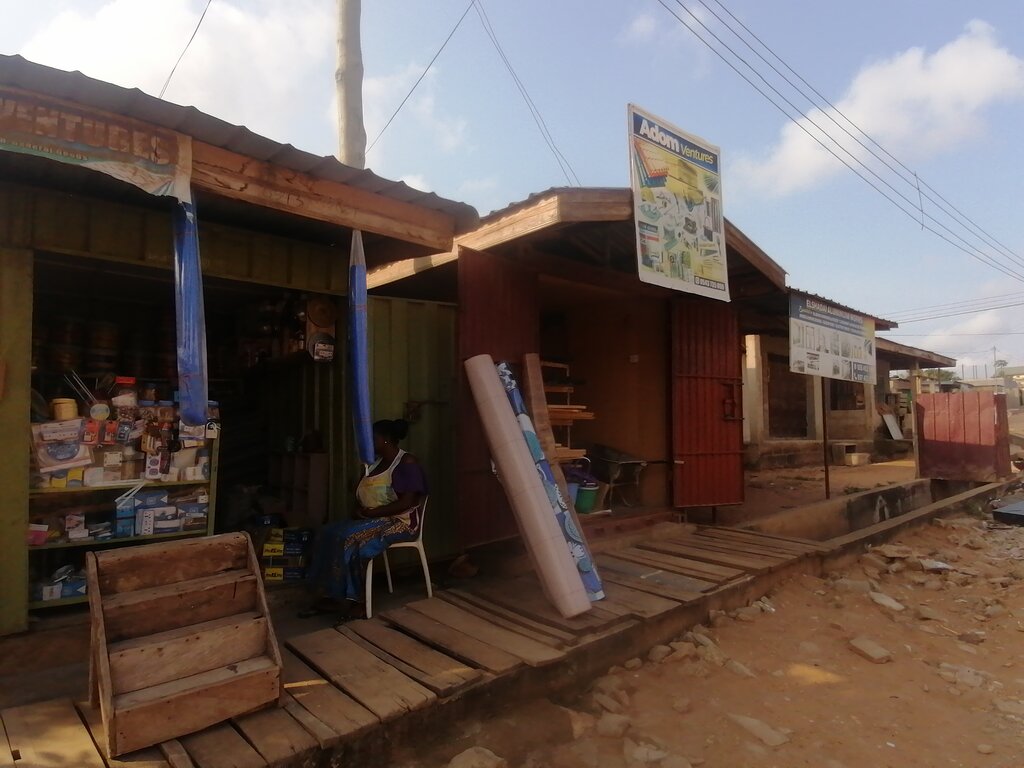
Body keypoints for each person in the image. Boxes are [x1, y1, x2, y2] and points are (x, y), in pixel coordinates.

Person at [301, 419, 428, 621]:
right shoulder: (373, 464)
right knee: (326, 533)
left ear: (386, 439)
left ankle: (358, 600)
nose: (367, 443)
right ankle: (331, 595)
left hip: (400, 522)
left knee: (351, 540)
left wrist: (370, 514)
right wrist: (358, 511)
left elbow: (407, 502)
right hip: (371, 518)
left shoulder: (407, 463)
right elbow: (360, 498)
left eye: (372, 439)